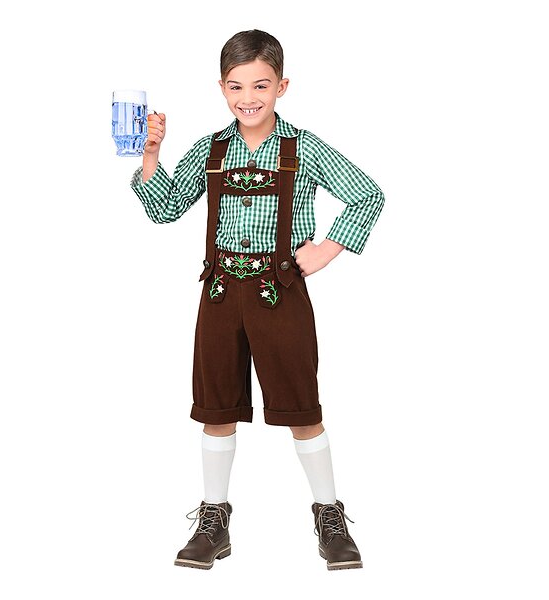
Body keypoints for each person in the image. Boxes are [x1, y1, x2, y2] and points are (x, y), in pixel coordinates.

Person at [129, 29, 384, 571]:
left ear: (281, 86)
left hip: (280, 291)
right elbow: (165, 208)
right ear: (222, 88)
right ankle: (213, 520)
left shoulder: (303, 148)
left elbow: (368, 194)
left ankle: (329, 514)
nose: (249, 97)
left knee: (301, 407)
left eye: (261, 85)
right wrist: (152, 154)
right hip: (221, 292)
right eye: (237, 86)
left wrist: (327, 248)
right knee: (216, 408)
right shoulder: (212, 149)